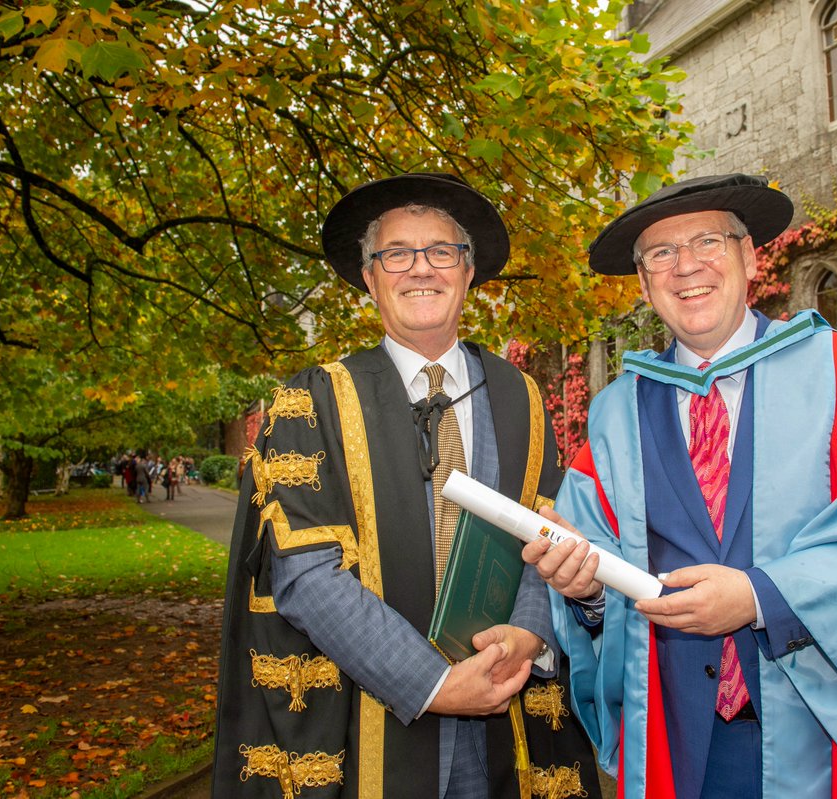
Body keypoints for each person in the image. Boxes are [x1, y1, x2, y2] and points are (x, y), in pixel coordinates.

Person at [523, 174, 837, 799]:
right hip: (675, 739)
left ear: (750, 256)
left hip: (819, 729)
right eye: (661, 255)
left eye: (707, 241)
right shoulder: (615, 413)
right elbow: (596, 585)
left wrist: (761, 597)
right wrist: (585, 591)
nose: (686, 267)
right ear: (644, 284)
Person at [212, 173, 601, 798]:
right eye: (397, 253)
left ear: (468, 271)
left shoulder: (518, 394)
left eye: (441, 251)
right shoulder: (310, 401)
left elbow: (546, 529)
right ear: (370, 276)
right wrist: (435, 685)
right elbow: (304, 574)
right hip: (371, 725)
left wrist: (529, 632)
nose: (421, 269)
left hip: (506, 719)